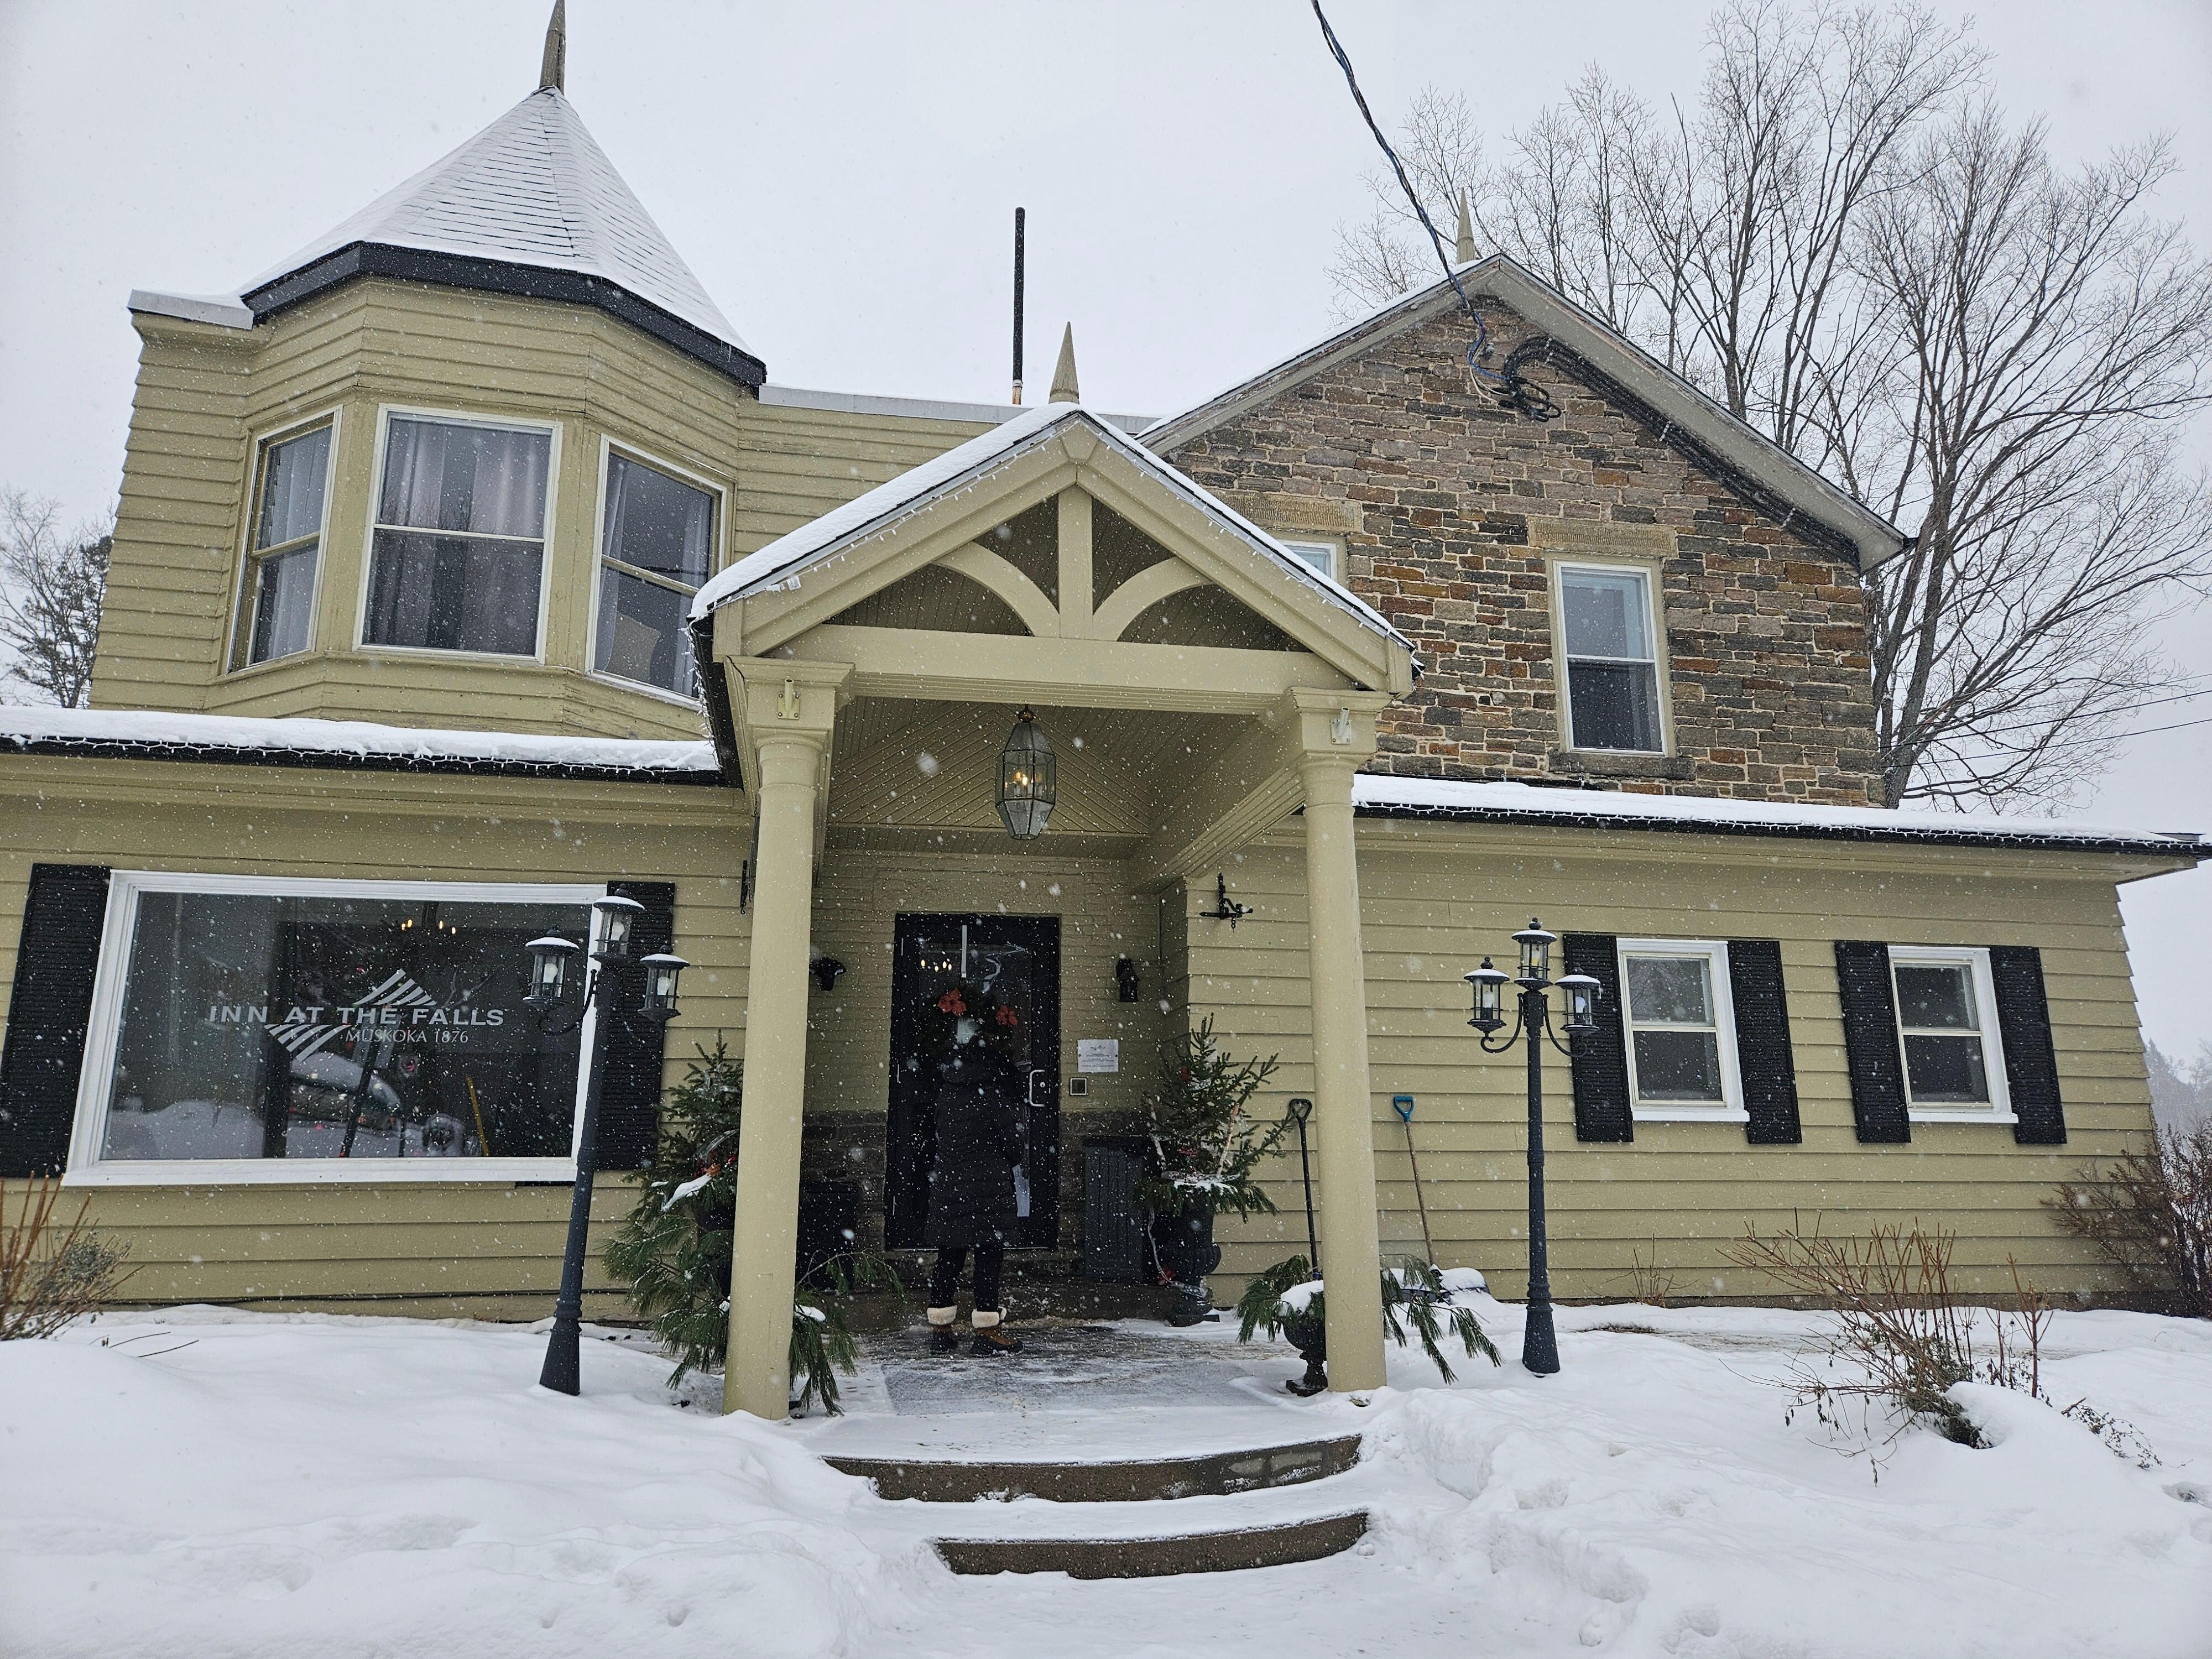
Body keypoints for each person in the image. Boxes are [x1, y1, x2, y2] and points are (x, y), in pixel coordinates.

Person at [923, 987, 1026, 1356]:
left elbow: (934, 1133)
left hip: (950, 1181)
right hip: (989, 1185)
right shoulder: (994, 1090)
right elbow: (1012, 1141)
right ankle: (986, 1331)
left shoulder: (947, 1091)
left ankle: (941, 1328)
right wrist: (1010, 1159)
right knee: (988, 1256)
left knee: (949, 1256)